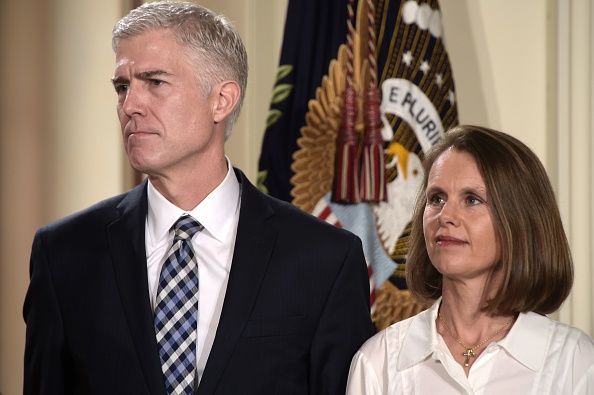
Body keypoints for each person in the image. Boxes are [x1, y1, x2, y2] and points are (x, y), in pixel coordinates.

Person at [23, 2, 375, 394]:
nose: (130, 106)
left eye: (154, 82)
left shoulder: (324, 260)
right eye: (123, 86)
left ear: (221, 101)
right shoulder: (63, 254)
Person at [346, 125, 594, 394]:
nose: (445, 215)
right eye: (437, 198)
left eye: (472, 199)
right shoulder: (379, 362)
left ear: (520, 220)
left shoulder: (574, 361)